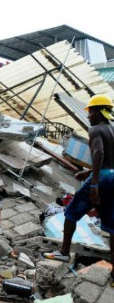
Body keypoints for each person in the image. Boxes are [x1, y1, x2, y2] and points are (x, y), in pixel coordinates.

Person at [44, 95, 114, 276]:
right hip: (112, 177)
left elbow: (98, 152)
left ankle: (64, 252)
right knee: (111, 225)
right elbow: (108, 160)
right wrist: (90, 172)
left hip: (102, 180)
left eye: (90, 111)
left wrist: (94, 183)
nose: (89, 116)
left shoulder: (95, 129)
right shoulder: (111, 129)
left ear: (98, 112)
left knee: (71, 213)